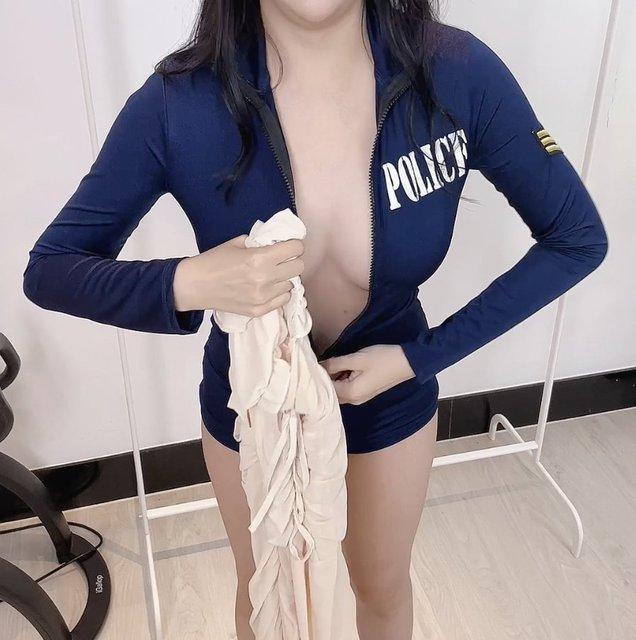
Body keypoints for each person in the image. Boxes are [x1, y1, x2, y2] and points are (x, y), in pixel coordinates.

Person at [22, 1, 608, 638]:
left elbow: (576, 237)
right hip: (252, 405)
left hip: (389, 395)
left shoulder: (455, 70)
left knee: (382, 589)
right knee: (269, 596)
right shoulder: (179, 101)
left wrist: (418, 358)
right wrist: (188, 281)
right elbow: (51, 269)